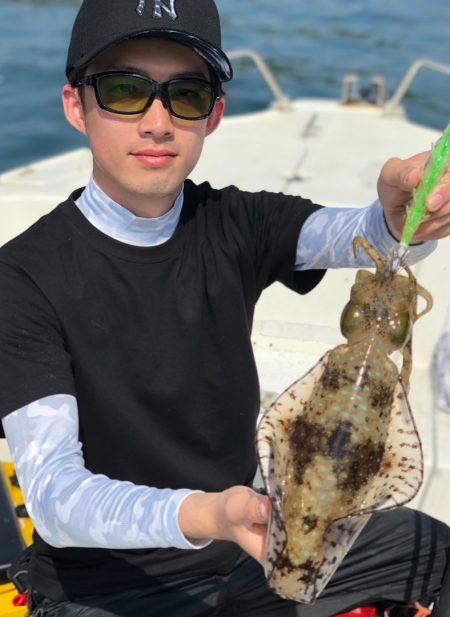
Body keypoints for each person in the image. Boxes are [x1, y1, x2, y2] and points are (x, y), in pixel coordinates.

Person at [0, 0, 450, 615]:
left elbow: (363, 234)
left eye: (185, 95)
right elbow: (54, 499)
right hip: (109, 588)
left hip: (252, 545)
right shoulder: (21, 278)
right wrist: (215, 512)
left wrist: (407, 215)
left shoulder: (238, 221)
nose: (158, 122)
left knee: (434, 549)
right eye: (127, 90)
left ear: (213, 116)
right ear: (76, 105)